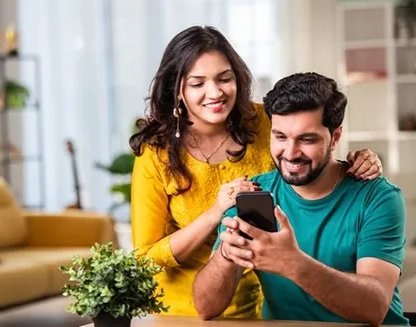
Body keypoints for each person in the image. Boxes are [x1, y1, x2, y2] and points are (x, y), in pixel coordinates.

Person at [129, 26, 385, 319]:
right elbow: (144, 258)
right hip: (185, 311)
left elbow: (309, 154)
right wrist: (215, 213)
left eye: (224, 79)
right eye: (197, 83)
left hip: (267, 306)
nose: (215, 93)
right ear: (177, 91)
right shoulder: (156, 153)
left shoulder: (263, 122)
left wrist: (362, 160)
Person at [193, 72, 409, 326]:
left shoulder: (378, 198)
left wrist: (292, 263)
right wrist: (226, 257)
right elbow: (206, 308)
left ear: (335, 137)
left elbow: (375, 307)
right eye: (281, 137)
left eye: (307, 139)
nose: (291, 153)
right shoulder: (254, 193)